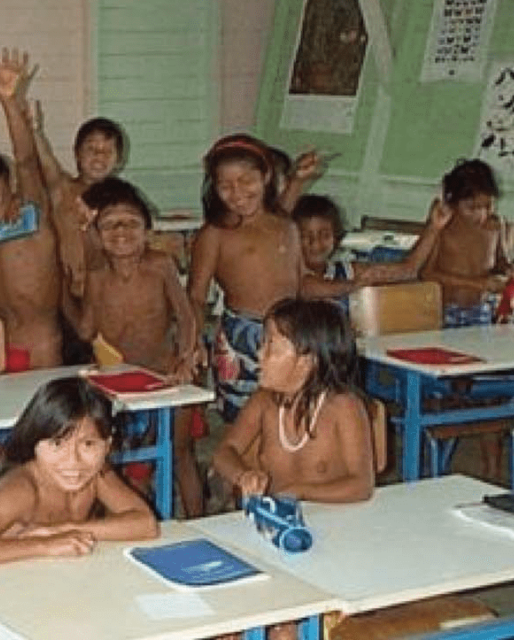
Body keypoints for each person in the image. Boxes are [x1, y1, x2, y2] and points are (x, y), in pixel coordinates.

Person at [62, 177, 202, 516]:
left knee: (180, 451)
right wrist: (63, 291)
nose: (121, 231)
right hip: (120, 385)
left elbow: (186, 317)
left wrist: (186, 358)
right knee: (121, 457)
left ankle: (199, 519)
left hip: (167, 376)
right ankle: (129, 518)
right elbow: (85, 329)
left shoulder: (160, 266)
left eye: (131, 223)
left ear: (147, 230)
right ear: (97, 233)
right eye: (110, 225)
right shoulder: (96, 278)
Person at [0, 377, 158, 568]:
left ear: (107, 445)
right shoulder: (23, 489)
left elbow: (146, 524)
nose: (73, 461)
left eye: (89, 444)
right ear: (35, 444)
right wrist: (44, 545)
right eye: (57, 444)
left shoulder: (96, 475)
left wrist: (63, 529)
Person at [0, 49, 66, 372]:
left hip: (40, 346)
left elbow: (26, 161)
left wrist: (8, 100)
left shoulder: (29, 216)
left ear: (8, 184)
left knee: (44, 423)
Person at [187, 134, 307, 423]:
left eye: (246, 181)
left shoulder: (286, 226)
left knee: (291, 417)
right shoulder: (214, 234)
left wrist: (358, 281)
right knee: (245, 421)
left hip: (293, 333)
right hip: (242, 336)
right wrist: (193, 342)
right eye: (225, 185)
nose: (237, 192)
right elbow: (196, 296)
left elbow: (301, 281)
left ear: (266, 176)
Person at [213, 298, 374, 503]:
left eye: (272, 346)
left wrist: (299, 492)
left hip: (335, 520)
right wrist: (242, 475)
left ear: (307, 362)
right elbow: (224, 452)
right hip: (281, 523)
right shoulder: (263, 402)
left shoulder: (343, 407)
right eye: (263, 343)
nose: (260, 354)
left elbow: (361, 485)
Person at [420, 159, 513, 479]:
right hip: (448, 319)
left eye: (487, 206)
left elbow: (500, 261)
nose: (481, 214)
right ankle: (435, 468)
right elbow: (426, 272)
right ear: (452, 202)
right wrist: (477, 283)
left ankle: (493, 472)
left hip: (483, 317)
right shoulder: (443, 229)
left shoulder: (494, 226)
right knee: (450, 395)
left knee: (494, 395)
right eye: (472, 207)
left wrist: (508, 272)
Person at [29, 107, 125, 298]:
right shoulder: (63, 190)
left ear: (119, 160)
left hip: (108, 292)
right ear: (77, 154)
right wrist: (34, 130)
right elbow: (47, 163)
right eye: (91, 149)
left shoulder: (124, 198)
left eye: (107, 151)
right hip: (66, 292)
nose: (99, 156)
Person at [295, 194, 449, 308]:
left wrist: (433, 227)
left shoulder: (347, 270)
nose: (315, 243)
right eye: (305, 236)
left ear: (336, 236)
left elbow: (408, 270)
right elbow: (308, 288)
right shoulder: (289, 274)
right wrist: (355, 285)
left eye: (324, 235)